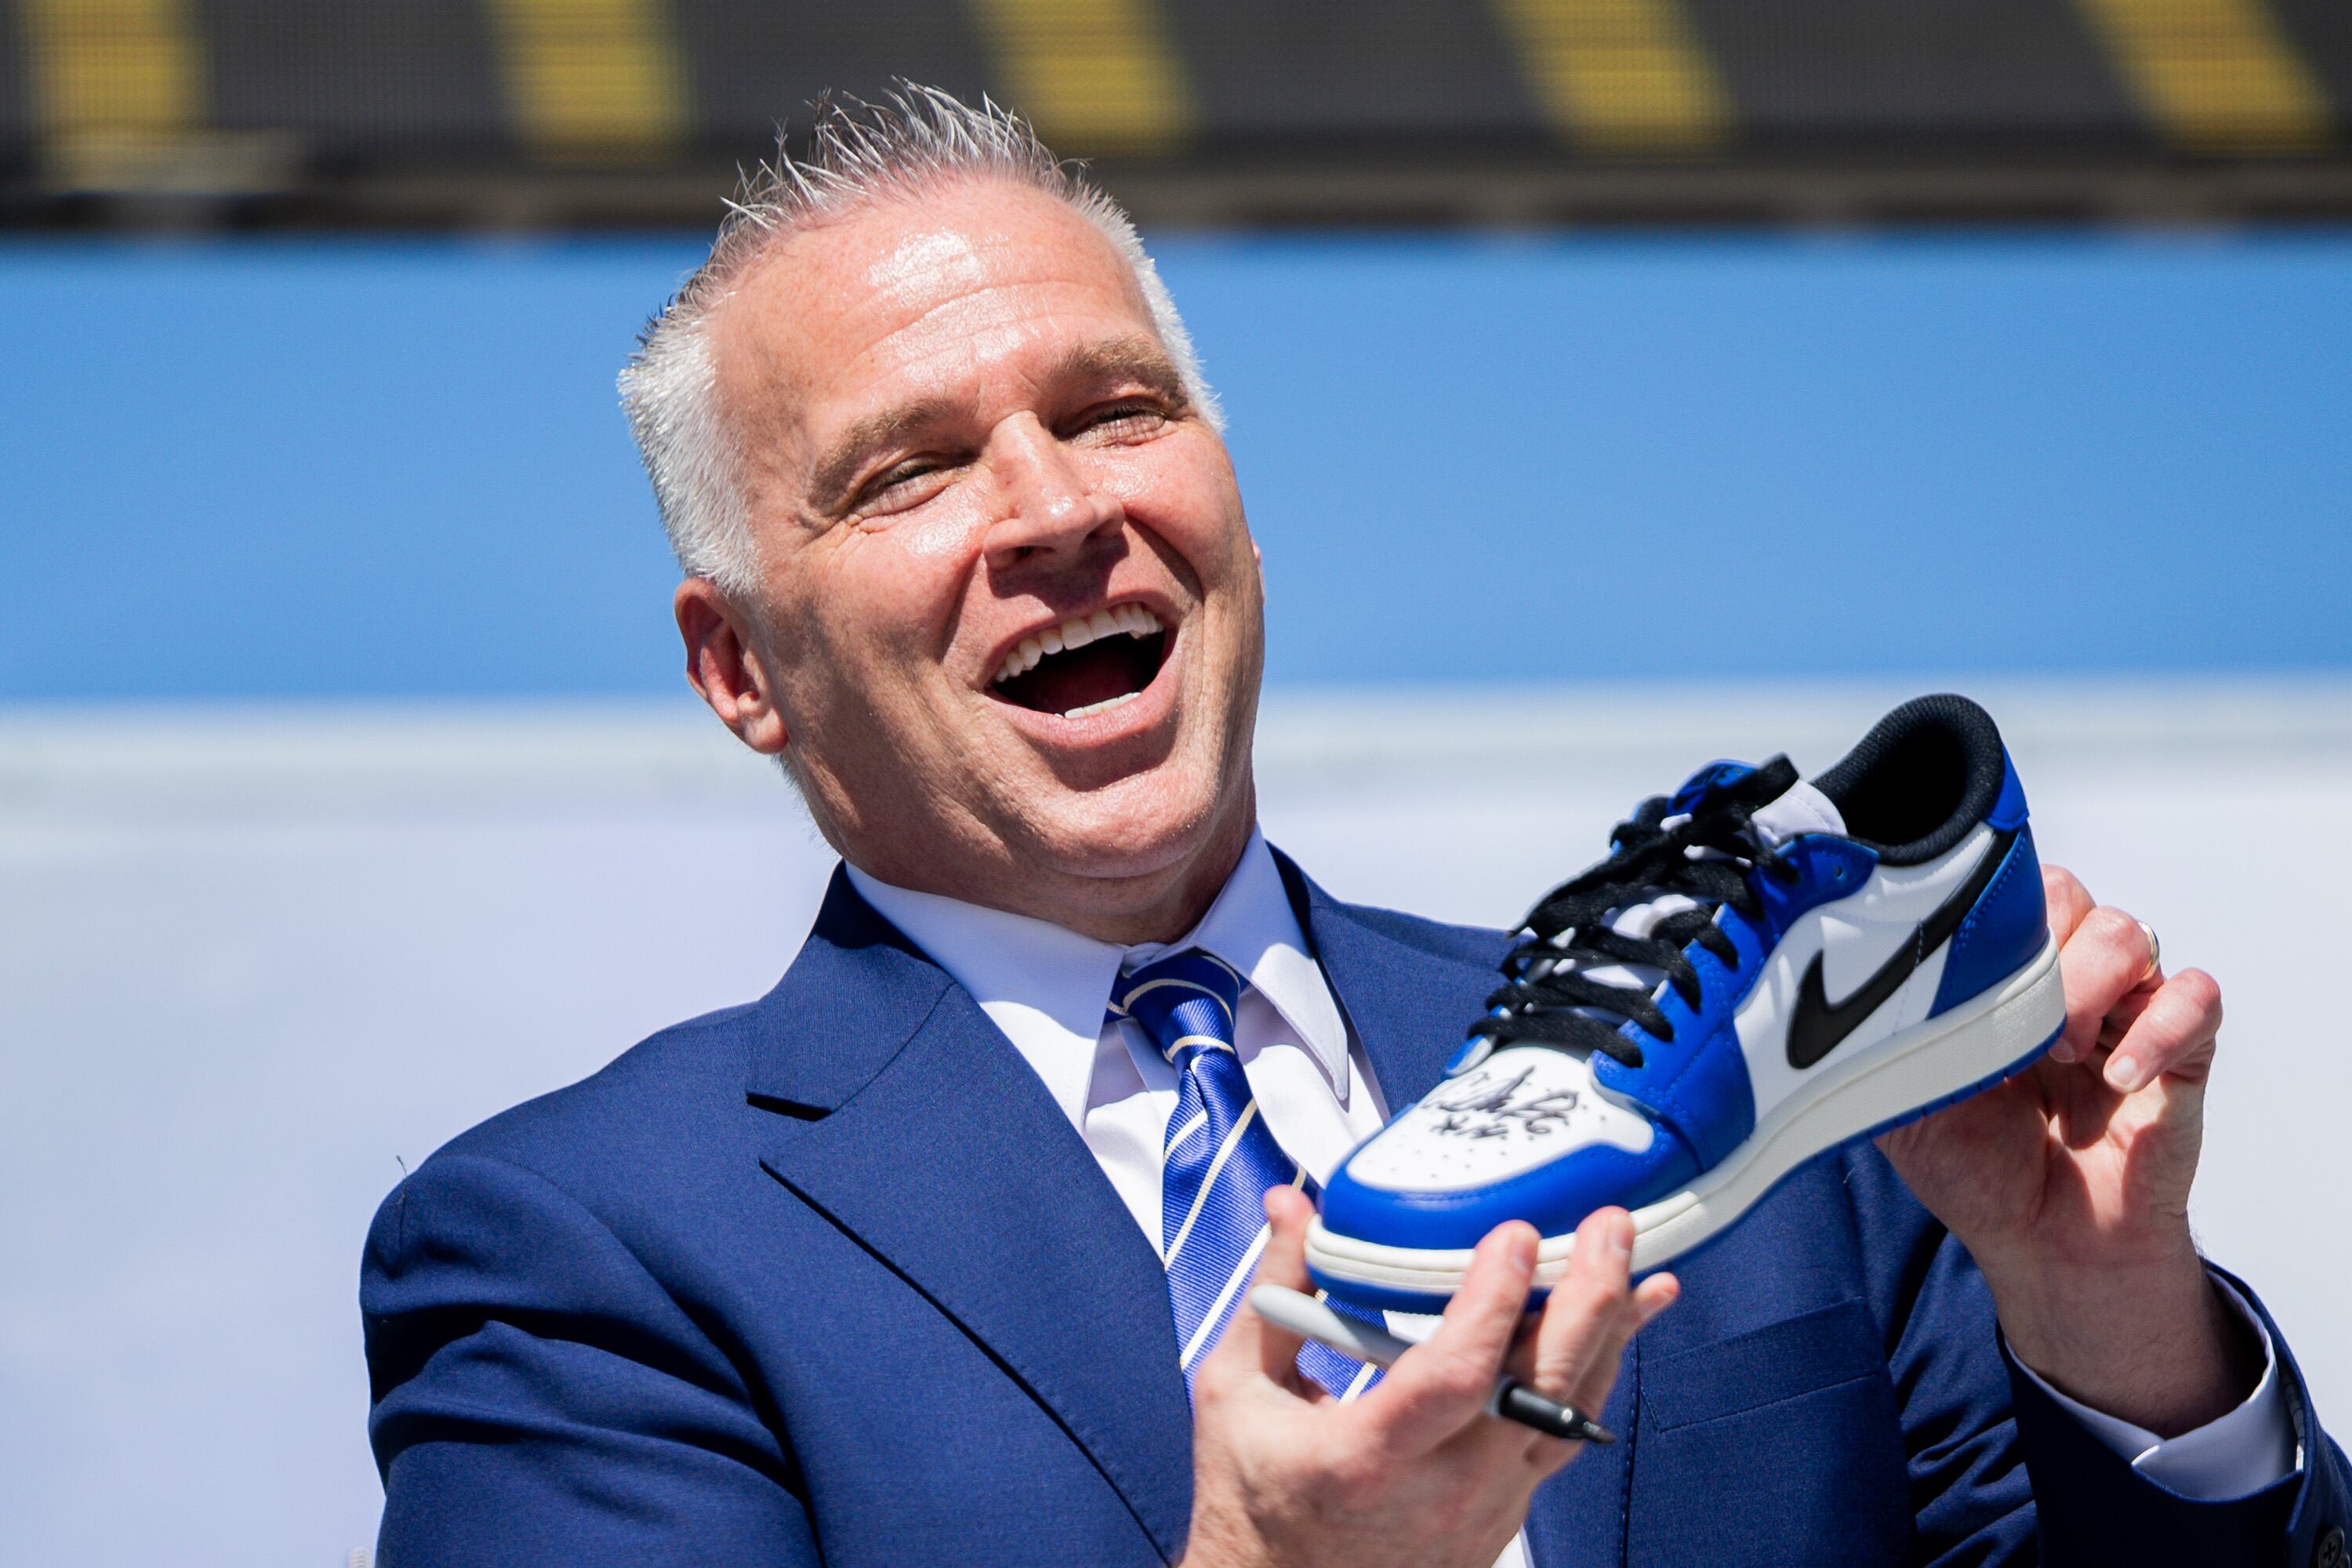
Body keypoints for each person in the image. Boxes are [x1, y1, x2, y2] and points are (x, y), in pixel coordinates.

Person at [361, 89, 2348, 1567]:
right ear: (741, 670)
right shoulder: (582, 1254)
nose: (1056, 505)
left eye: (1120, 406)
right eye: (910, 473)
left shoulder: (1753, 1066)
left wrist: (2112, 1332)